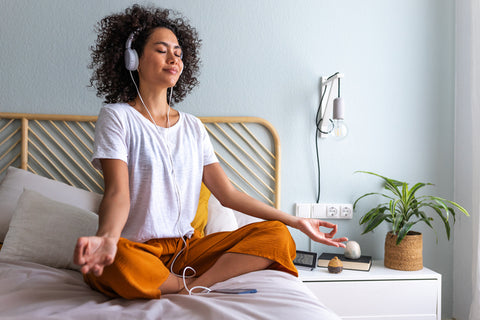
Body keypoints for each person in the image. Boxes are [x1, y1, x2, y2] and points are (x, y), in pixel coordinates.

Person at [73, 4, 348, 299]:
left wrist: (294, 221)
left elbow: (228, 195)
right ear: (134, 59)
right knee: (117, 261)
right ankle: (169, 281)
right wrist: (108, 239)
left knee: (277, 235)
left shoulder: (193, 127)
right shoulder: (117, 117)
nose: (173, 59)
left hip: (187, 252)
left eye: (178, 53)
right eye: (162, 50)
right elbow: (118, 194)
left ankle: (189, 284)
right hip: (137, 249)